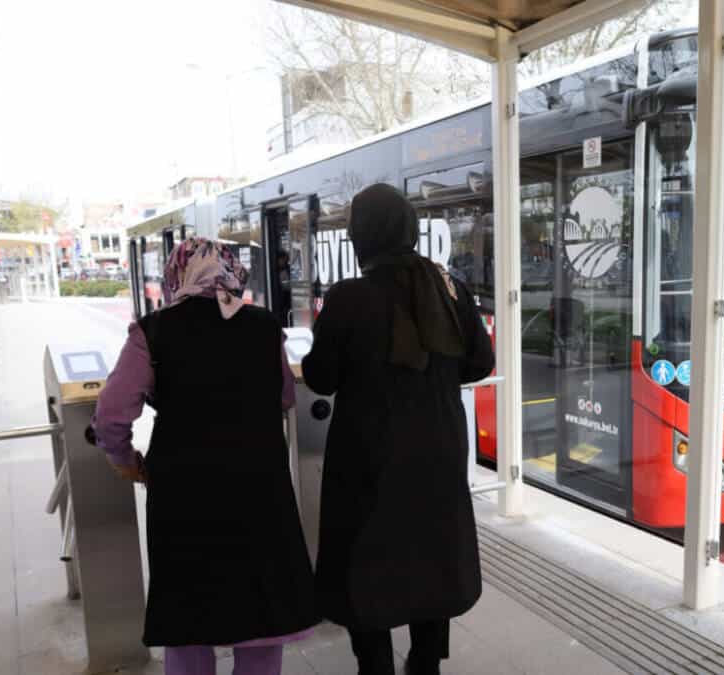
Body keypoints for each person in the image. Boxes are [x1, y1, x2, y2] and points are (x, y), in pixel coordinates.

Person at [92, 238, 317, 675]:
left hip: (183, 494)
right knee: (262, 611)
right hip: (260, 490)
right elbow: (286, 398)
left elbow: (110, 416)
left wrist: (124, 460)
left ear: (177, 275)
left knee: (188, 613)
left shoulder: (152, 332)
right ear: (230, 271)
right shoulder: (264, 326)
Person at [301, 184, 495, 675]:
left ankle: (376, 666)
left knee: (366, 563)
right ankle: (425, 663)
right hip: (437, 453)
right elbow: (480, 362)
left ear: (361, 236)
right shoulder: (449, 288)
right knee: (431, 560)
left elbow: (321, 378)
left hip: (369, 459)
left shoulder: (348, 298)